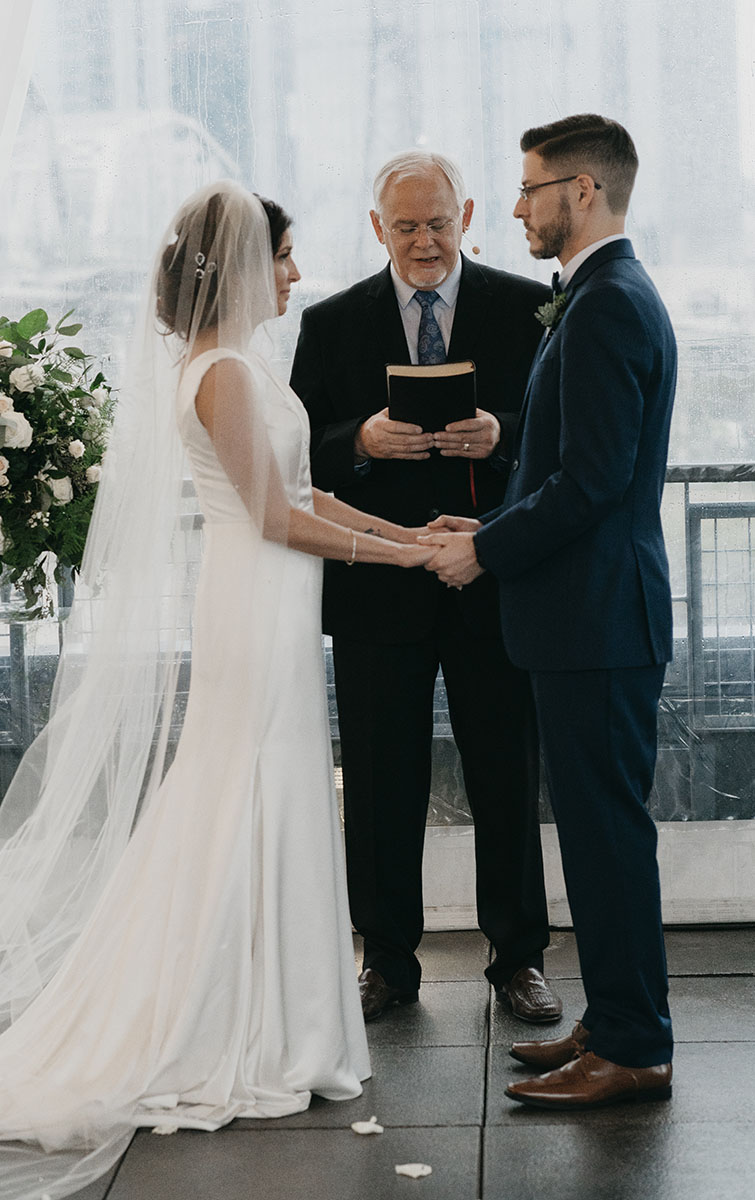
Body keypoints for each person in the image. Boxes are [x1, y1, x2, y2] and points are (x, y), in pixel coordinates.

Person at [0, 181, 434, 1199]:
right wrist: (403, 563)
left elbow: (304, 493)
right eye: (283, 256)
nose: (294, 273)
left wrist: (400, 537)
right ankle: (234, 1018)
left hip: (273, 603)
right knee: (246, 789)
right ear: (245, 263)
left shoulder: (238, 365)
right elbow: (273, 519)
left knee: (270, 789)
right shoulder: (226, 372)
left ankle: (278, 1011)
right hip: (254, 603)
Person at [422, 115, 677, 1109]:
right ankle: (614, 1021)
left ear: (580, 191)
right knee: (595, 835)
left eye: (528, 190)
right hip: (585, 620)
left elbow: (593, 484)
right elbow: (563, 468)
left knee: (607, 840)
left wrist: (481, 549)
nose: (518, 209)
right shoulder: (598, 295)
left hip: (598, 623)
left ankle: (635, 1046)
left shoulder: (608, 302)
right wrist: (477, 516)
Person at [290, 151, 562, 1023]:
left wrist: (503, 432)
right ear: (377, 228)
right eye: (404, 226)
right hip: (377, 591)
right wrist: (361, 440)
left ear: (468, 214)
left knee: (505, 775)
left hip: (491, 578)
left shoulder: (529, 307)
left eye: (438, 223)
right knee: (376, 782)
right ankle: (387, 964)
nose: (424, 241)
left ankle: (518, 959)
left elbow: (561, 436)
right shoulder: (332, 323)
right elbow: (293, 457)